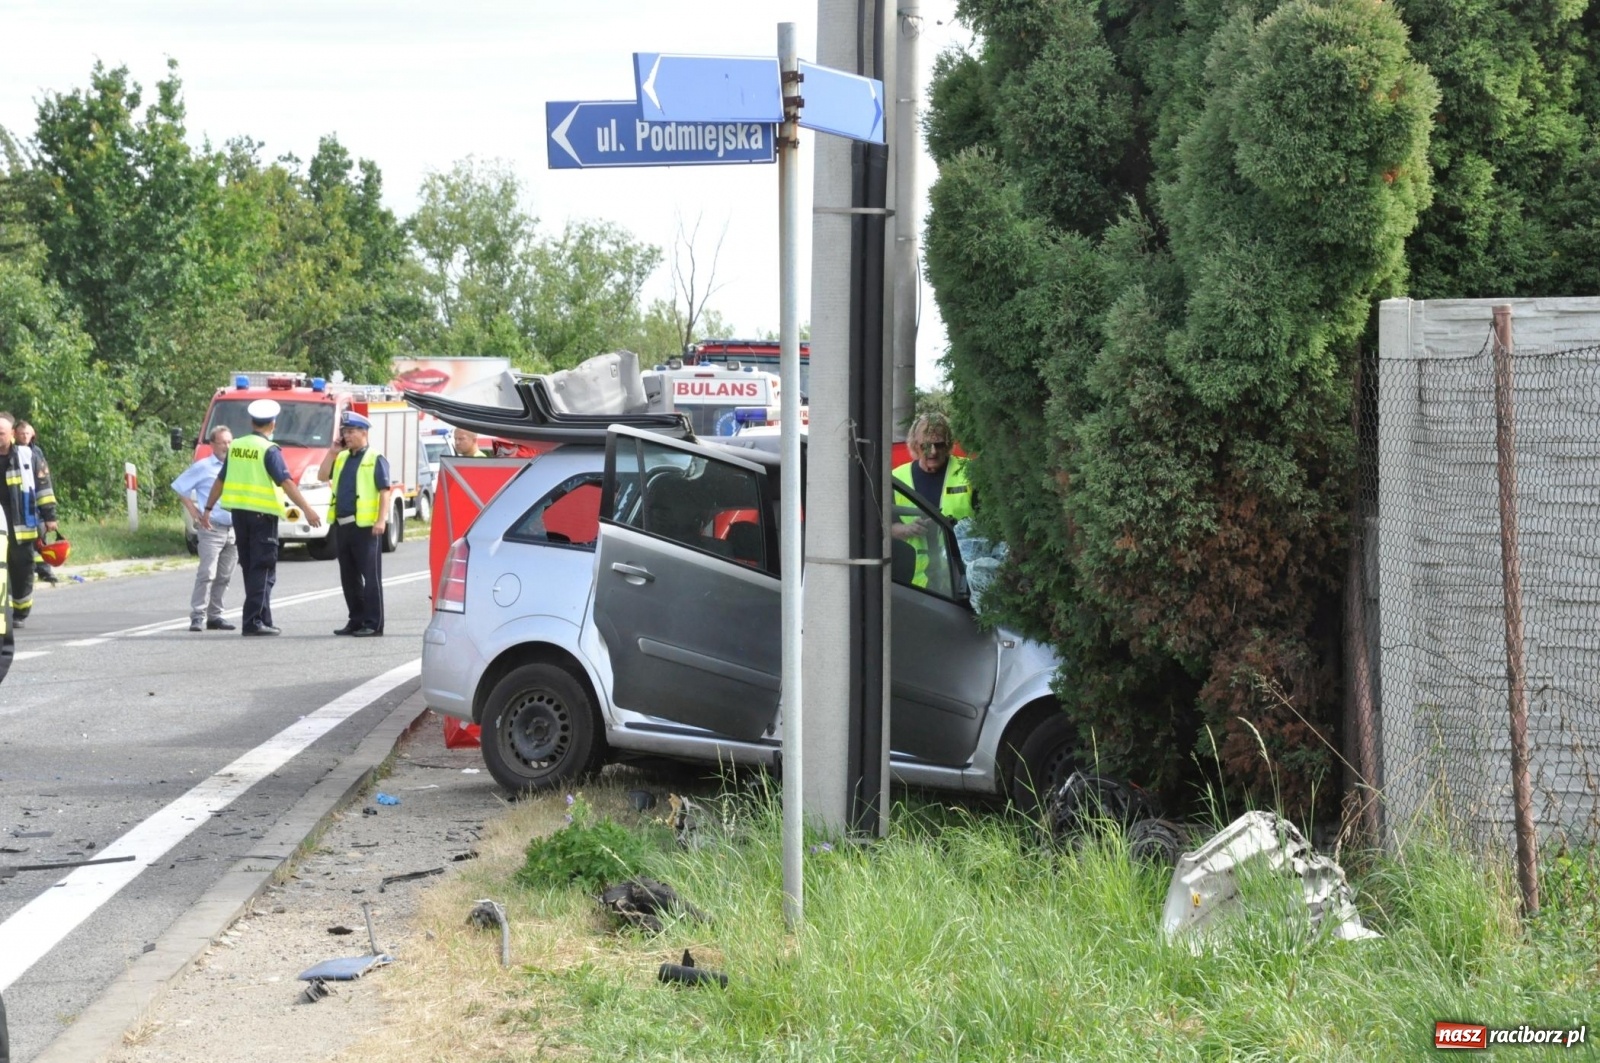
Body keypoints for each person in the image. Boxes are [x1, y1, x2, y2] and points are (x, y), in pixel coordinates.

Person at [201, 399, 322, 636]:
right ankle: (253, 621)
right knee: (263, 567)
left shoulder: (236, 446)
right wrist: (307, 509)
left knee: (250, 568)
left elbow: (220, 480)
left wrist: (207, 508)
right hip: (262, 517)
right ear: (273, 424)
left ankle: (263, 618)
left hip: (239, 516)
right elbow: (286, 482)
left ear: (252, 422)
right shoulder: (269, 450)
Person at [318, 411, 398, 637]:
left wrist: (381, 520)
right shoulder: (342, 457)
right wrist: (332, 453)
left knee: (370, 577)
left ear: (364, 433)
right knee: (349, 576)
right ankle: (356, 619)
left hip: (366, 527)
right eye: (345, 432)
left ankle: (373, 624)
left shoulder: (375, 458)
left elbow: (384, 492)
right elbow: (322, 476)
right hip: (343, 525)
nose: (347, 436)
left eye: (351, 432)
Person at [890, 411, 974, 587]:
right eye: (926, 446)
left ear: (949, 444)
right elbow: (881, 528)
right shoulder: (896, 478)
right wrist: (905, 529)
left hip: (963, 580)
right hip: (916, 584)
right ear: (914, 445)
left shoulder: (969, 472)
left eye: (939, 445)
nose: (933, 452)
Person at [172, 426, 239, 632]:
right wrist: (194, 512)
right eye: (222, 442)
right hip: (211, 528)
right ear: (212, 444)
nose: (227, 446)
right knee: (206, 573)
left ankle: (215, 616)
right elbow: (180, 486)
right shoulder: (204, 466)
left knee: (225, 575)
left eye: (229, 442)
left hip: (233, 529)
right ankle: (197, 615)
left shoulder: (237, 465)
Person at [0, 412, 58, 627]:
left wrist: (50, 517)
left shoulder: (29, 456)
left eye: (1, 433)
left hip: (21, 522)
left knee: (22, 567)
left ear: (12, 434)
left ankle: (20, 612)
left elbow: (44, 487)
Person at [15, 422, 58, 587]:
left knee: (40, 540)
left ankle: (45, 572)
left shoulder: (36, 453)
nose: (25, 437)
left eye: (28, 433)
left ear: (32, 434)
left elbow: (44, 486)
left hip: (35, 508)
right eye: (21, 433)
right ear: (14, 434)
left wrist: (50, 516)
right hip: (16, 508)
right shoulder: (10, 453)